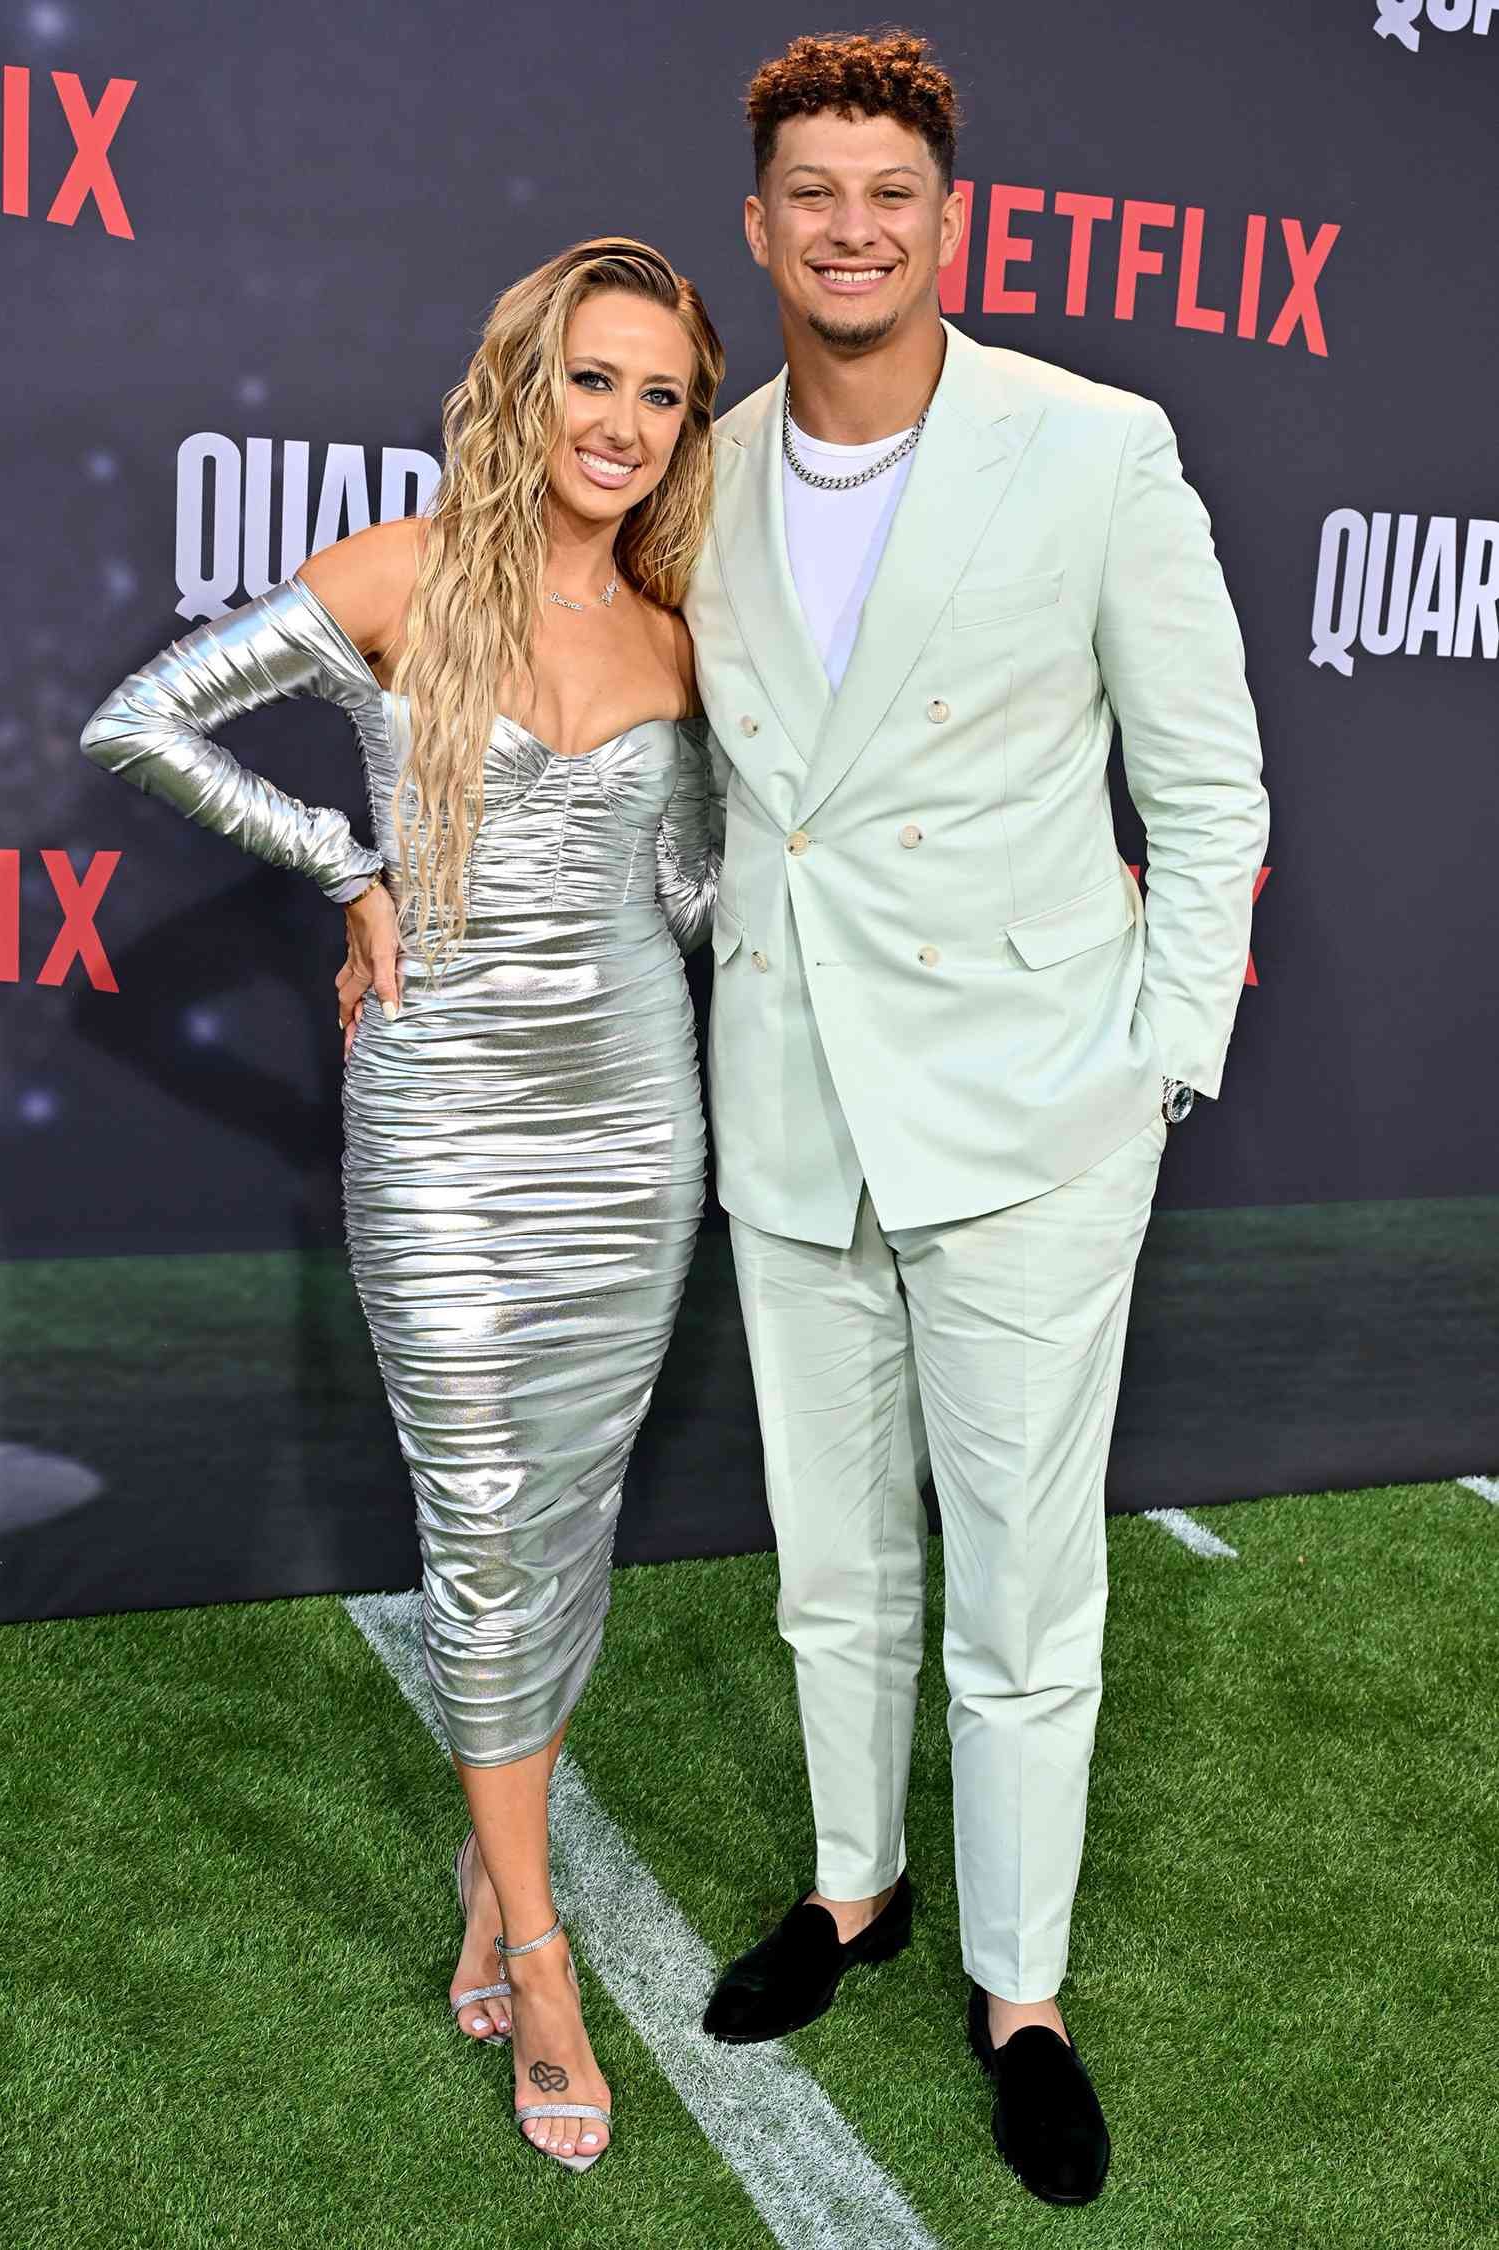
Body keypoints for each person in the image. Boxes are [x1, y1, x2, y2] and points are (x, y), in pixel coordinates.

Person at [682, 30, 1270, 2207]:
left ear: (953, 218)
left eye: (890, 193)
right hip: (793, 1105)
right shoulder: (700, 472)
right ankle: (855, 1888)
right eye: (813, 193)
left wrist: (1158, 1065)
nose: (852, 227)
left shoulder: (1093, 445)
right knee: (833, 1563)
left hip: (1032, 1114)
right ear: (759, 225)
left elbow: (1208, 785)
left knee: (1023, 1594)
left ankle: (1020, 1991)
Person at [81, 238, 726, 2174]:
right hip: (440, 1119)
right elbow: (139, 720)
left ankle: (489, 1866)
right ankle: (537, 1945)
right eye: (593, 379)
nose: (622, 423)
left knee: (570, 1521)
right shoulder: (399, 573)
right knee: (482, 1521)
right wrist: (346, 867)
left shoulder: (685, 635)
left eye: (663, 395)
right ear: (526, 386)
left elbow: (700, 901)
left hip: (635, 1129)